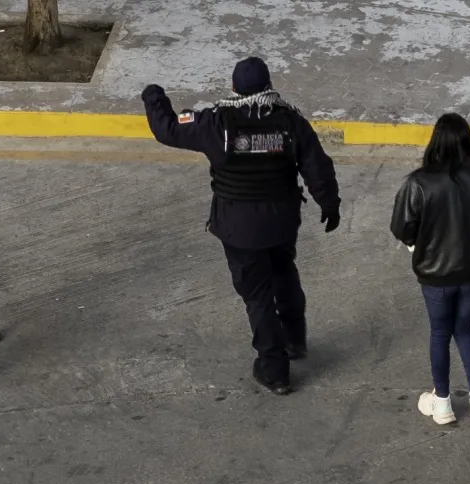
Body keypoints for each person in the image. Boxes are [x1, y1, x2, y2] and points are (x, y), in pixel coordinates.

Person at [141, 58, 341, 396]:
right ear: (268, 87)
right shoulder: (290, 122)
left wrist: (154, 97)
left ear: (233, 88)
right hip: (281, 222)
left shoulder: (216, 124)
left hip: (239, 229)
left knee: (257, 296)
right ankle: (295, 340)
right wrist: (330, 204)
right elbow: (317, 166)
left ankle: (274, 370)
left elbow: (168, 129)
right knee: (284, 272)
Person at [390, 112, 470, 427]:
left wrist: (419, 244)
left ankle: (441, 403)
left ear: (435, 143)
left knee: (440, 332)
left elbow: (401, 226)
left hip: (435, 275)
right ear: (468, 143)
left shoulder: (418, 182)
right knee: (464, 329)